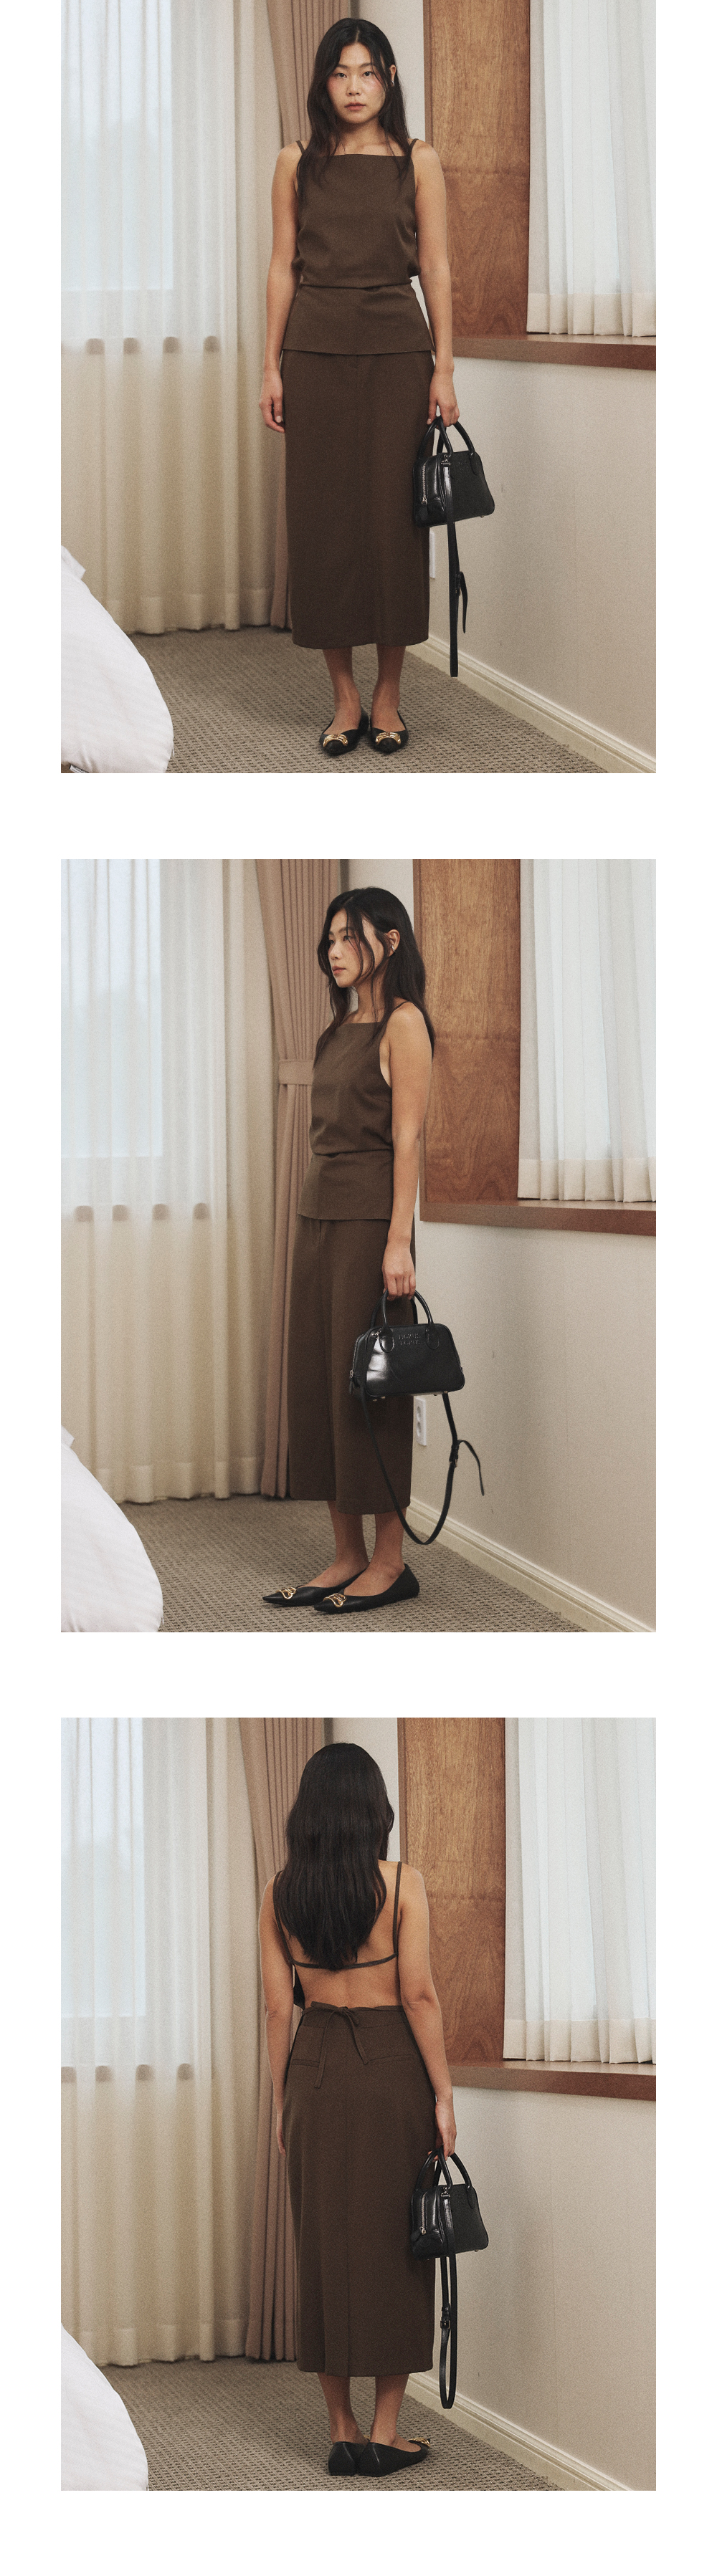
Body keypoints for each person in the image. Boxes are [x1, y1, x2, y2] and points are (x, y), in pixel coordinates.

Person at [259, 19, 459, 757]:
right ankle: (344, 697)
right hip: (313, 351)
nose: (354, 87)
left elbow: (436, 268)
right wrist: (270, 365)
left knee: (395, 523)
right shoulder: (295, 160)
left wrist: (444, 366)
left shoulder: (418, 160)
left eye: (367, 72)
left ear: (390, 79)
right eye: (341, 73)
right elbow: (282, 266)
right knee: (324, 523)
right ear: (324, 81)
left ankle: (388, 696)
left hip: (399, 353)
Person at [258, 1741, 457, 2476]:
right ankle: (384, 2431)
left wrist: (282, 2098)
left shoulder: (280, 1891)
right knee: (399, 2245)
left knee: (323, 2244)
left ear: (307, 1812)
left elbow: (278, 2009)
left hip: (313, 2067)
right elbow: (419, 1995)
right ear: (375, 1809)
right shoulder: (403, 1882)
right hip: (391, 2069)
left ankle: (341, 2430)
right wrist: (443, 2093)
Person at [263, 885, 433, 1614]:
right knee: (321, 1383)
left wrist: (398, 1241)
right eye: (329, 938)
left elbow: (408, 1140)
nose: (333, 951)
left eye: (348, 937)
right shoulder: (336, 1031)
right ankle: (346, 1553)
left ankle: (391, 1562)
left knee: (373, 1388)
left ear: (388, 942)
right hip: (317, 1215)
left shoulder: (404, 1024)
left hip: (369, 1223)